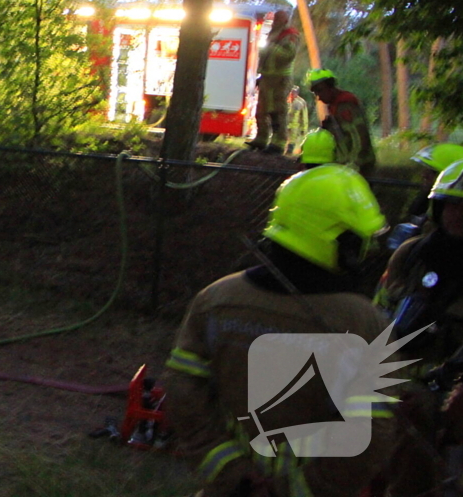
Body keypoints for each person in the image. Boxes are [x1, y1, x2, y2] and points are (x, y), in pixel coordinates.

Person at [163, 165, 395, 497]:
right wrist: (300, 489)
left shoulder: (217, 300)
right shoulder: (364, 323)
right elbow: (374, 432)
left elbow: (184, 396)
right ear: (341, 242)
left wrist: (232, 472)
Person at [372, 156, 463, 496]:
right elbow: (378, 316)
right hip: (396, 383)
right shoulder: (411, 254)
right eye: (450, 206)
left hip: (455, 395)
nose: (456, 216)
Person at [305, 69, 376, 178]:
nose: (319, 97)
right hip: (348, 167)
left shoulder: (345, 105)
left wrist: (354, 164)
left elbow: (359, 136)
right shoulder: (335, 106)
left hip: (359, 167)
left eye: (320, 91)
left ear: (330, 86)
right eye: (315, 93)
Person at [247, 10, 299, 155]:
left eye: (278, 19)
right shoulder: (272, 34)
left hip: (280, 79)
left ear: (285, 20)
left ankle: (279, 142)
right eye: (275, 19)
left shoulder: (290, 35)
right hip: (266, 78)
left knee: (278, 111)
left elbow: (289, 55)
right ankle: (261, 139)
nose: (275, 22)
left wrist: (272, 48)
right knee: (261, 110)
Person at [286, 86, 309, 156]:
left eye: (294, 92)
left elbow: (304, 117)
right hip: (285, 126)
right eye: (291, 92)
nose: (292, 94)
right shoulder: (286, 101)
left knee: (292, 142)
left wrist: (304, 129)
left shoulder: (301, 103)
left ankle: (290, 154)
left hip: (295, 127)